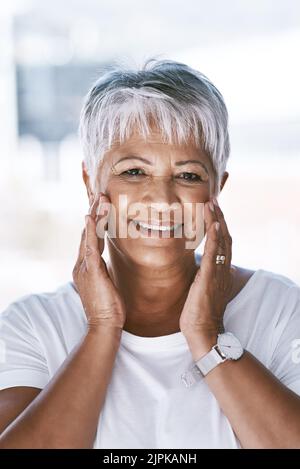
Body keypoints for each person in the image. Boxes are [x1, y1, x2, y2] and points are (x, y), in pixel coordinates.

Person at [0, 58, 300, 449]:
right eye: (133, 172)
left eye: (188, 175)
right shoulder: (33, 326)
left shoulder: (279, 308)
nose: (160, 199)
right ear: (92, 182)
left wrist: (207, 337)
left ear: (217, 189)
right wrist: (103, 327)